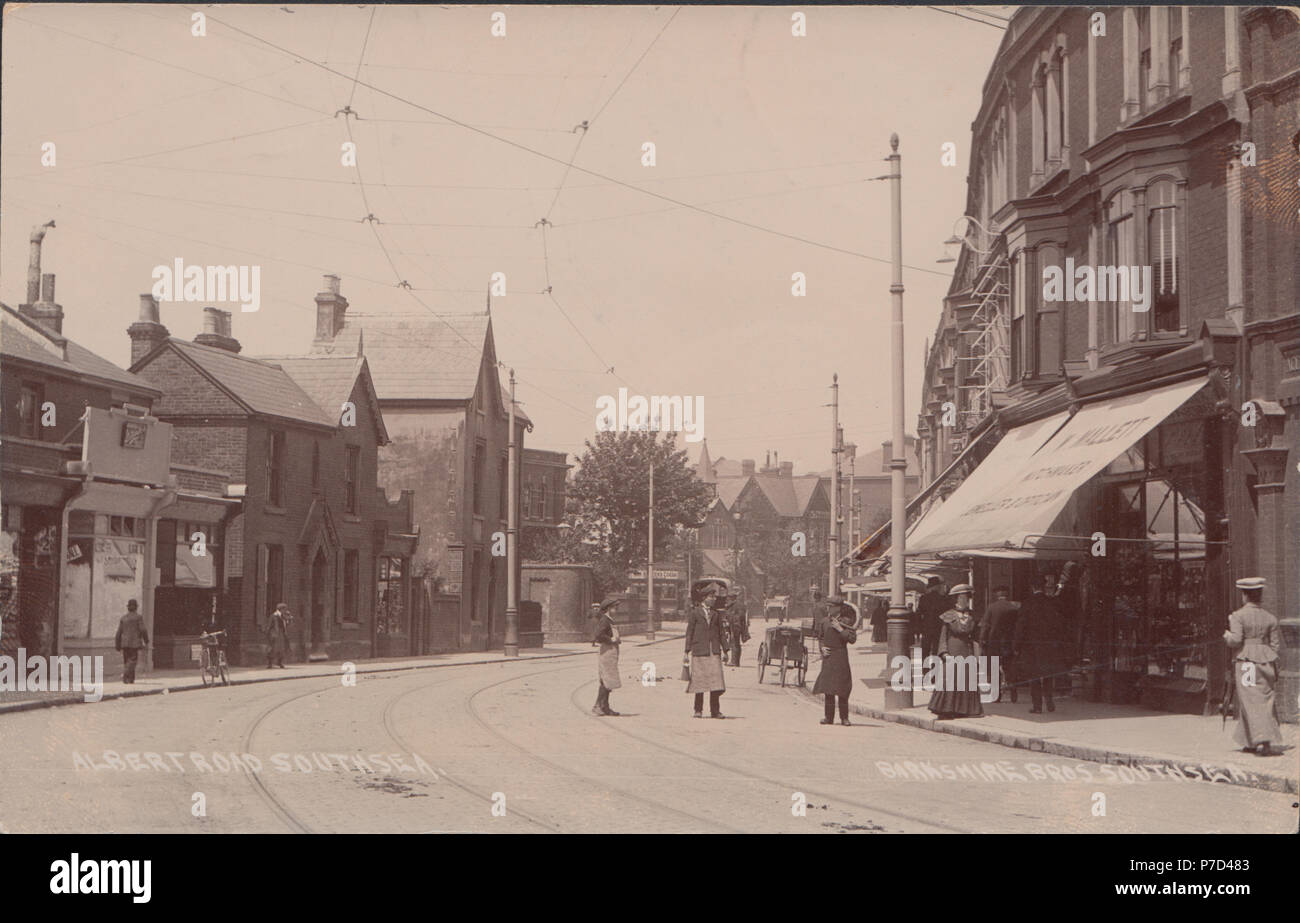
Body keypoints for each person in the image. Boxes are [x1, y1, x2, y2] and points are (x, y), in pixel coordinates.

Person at [1223, 577, 1282, 756]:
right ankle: (1248, 741)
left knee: (1249, 700)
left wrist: (1226, 635)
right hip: (1266, 663)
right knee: (1264, 699)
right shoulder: (1270, 618)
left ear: (1245, 595)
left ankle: (1262, 740)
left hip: (1247, 663)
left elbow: (1235, 641)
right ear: (1260, 595)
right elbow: (1275, 646)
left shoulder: (1237, 616)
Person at [927, 584, 983, 719]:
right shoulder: (948, 615)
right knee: (950, 678)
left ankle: (967, 709)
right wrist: (944, 652)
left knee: (967, 679)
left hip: (966, 650)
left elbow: (977, 637)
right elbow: (943, 636)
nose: (964, 600)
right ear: (956, 599)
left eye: (966, 598)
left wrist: (978, 653)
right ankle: (946, 709)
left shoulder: (973, 615)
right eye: (962, 597)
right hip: (952, 649)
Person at [1013, 575, 1066, 714]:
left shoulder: (1027, 603)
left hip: (1031, 646)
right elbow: (1059, 625)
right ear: (1043, 587)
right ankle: (1049, 701)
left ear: (1032, 587)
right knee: (1048, 674)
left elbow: (1020, 627)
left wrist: (1016, 646)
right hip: (1049, 645)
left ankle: (1037, 706)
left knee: (1034, 675)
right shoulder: (1052, 602)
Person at [684, 579, 727, 718]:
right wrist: (686, 651)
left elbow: (721, 633)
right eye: (711, 597)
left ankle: (715, 711)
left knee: (716, 682)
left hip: (713, 651)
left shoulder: (716, 614)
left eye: (714, 597)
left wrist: (725, 650)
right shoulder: (695, 613)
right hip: (699, 651)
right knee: (699, 682)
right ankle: (698, 710)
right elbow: (689, 632)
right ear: (704, 598)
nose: (714, 599)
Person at [813, 597, 857, 725]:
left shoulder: (846, 622)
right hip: (828, 657)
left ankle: (844, 718)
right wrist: (822, 648)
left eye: (831, 606)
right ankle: (828, 717)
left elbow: (852, 639)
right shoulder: (824, 622)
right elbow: (820, 638)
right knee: (828, 688)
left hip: (841, 656)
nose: (828, 609)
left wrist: (840, 629)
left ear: (838, 608)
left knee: (842, 687)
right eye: (828, 606)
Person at [978, 585, 1020, 703]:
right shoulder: (1014, 608)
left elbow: (985, 626)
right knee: (1009, 668)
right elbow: (1017, 627)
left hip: (994, 643)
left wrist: (982, 641)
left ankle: (996, 696)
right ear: (1007, 595)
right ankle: (1013, 690)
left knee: (994, 668)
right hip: (1009, 643)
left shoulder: (991, 607)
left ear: (997, 595)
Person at [590, 598, 622, 716]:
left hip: (611, 651)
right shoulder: (605, 620)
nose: (617, 610)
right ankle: (598, 706)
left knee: (609, 680)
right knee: (606, 679)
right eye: (615, 608)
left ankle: (605, 707)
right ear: (609, 608)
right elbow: (598, 635)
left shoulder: (610, 620)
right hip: (607, 652)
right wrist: (611, 639)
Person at [114, 599, 149, 684]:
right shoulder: (138, 617)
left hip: (125, 643)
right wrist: (146, 640)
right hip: (134, 643)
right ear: (136, 608)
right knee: (133, 661)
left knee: (127, 661)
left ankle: (130, 680)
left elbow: (118, 633)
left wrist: (117, 645)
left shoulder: (123, 618)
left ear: (128, 608)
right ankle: (126, 675)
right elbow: (143, 630)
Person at [916, 577, 947, 662]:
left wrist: (919, 628)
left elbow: (919, 614)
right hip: (938, 627)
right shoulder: (942, 598)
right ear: (937, 587)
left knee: (925, 650)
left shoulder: (923, 598)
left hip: (926, 628)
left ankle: (925, 671)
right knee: (936, 650)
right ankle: (935, 671)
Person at [723, 585, 750, 667]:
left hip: (736, 627)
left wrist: (729, 620)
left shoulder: (738, 605)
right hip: (733, 626)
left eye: (729, 598)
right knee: (734, 643)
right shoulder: (733, 605)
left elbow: (739, 616)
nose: (727, 600)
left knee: (735, 643)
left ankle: (735, 662)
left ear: (733, 598)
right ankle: (734, 661)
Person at [266, 602, 290, 669]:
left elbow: (285, 625)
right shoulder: (274, 616)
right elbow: (269, 626)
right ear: (281, 609)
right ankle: (270, 663)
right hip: (275, 634)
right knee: (272, 649)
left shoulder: (283, 616)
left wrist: (288, 619)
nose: (285, 610)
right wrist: (269, 634)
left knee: (281, 649)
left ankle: (280, 662)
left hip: (281, 634)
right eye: (284, 609)